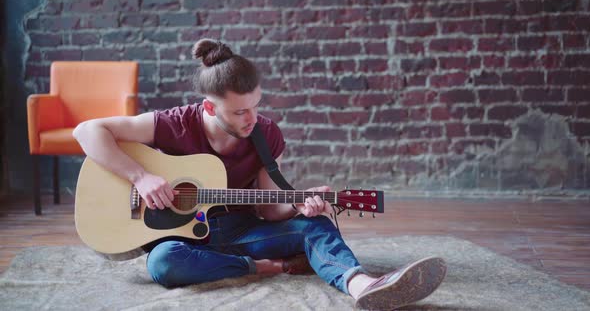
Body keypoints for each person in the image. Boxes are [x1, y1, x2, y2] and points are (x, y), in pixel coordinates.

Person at [73, 39, 446, 310]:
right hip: (183, 241)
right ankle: (269, 268)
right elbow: (87, 131)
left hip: (241, 231)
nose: (251, 119)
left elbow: (270, 210)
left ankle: (364, 285)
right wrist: (140, 177)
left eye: (255, 106)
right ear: (209, 107)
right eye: (239, 112)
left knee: (315, 227)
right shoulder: (175, 123)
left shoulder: (265, 134)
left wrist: (300, 205)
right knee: (163, 263)